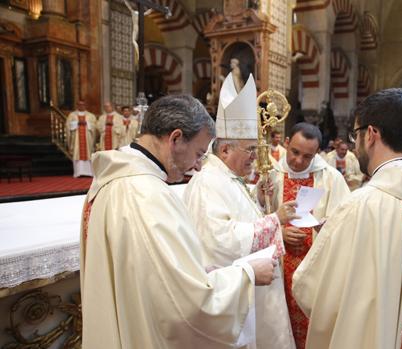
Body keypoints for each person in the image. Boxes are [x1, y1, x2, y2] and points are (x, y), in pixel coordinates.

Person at [80, 94, 276, 348]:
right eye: (198, 153)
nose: (196, 166)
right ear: (175, 139)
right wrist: (247, 275)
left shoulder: (109, 180)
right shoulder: (147, 195)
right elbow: (186, 304)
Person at [292, 88, 402, 349]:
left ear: (371, 135)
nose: (354, 143)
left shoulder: (360, 206)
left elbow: (315, 293)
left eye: (355, 135)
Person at [184, 73, 297, 349]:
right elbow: (219, 241)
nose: (256, 157)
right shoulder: (208, 182)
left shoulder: (228, 178)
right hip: (235, 301)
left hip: (255, 291)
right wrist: (275, 220)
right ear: (224, 149)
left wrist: (258, 199)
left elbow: (239, 218)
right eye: (249, 149)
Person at [267, 122, 350, 348]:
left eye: (307, 156)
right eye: (295, 152)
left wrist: (325, 229)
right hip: (279, 269)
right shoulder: (271, 177)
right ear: (286, 143)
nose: (299, 161)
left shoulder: (331, 178)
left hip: (316, 270)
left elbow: (346, 221)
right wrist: (279, 231)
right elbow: (257, 219)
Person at [66, 100, 97, 177]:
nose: (81, 106)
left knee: (88, 153)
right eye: (79, 105)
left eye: (83, 105)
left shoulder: (91, 116)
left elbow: (95, 126)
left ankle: (89, 173)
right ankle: (78, 173)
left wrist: (87, 123)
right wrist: (77, 123)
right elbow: (68, 126)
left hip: (87, 139)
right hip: (76, 139)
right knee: (77, 153)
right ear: (77, 105)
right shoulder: (72, 115)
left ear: (85, 105)